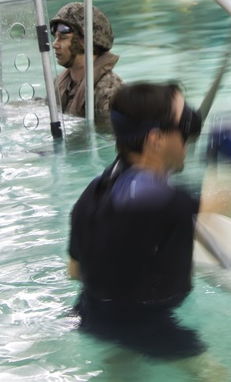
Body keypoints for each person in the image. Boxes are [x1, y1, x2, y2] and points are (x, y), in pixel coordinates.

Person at [68, 82, 211, 361]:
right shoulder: (155, 201)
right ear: (156, 139)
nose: (191, 132)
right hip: (144, 322)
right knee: (215, 376)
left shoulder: (94, 191)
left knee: (124, 359)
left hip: (90, 313)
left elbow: (75, 271)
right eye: (185, 125)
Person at [49, 2, 123, 117]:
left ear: (84, 41)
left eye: (63, 38)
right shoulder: (61, 83)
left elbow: (107, 132)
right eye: (55, 37)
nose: (55, 44)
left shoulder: (110, 91)